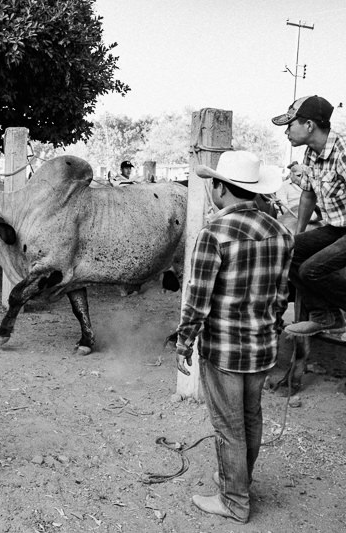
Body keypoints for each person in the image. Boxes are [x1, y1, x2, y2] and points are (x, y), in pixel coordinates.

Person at [175, 150, 292, 523]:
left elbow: (198, 298)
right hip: (262, 346)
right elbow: (281, 294)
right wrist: (271, 329)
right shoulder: (281, 233)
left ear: (220, 188)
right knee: (251, 416)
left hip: (225, 349)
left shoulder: (215, 234)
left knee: (228, 426)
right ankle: (238, 478)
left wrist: (184, 341)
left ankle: (234, 500)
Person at [271, 95, 346, 335]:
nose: (287, 132)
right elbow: (308, 195)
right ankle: (326, 316)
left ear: (309, 125)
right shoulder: (312, 154)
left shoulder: (342, 150)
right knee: (287, 249)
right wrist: (299, 235)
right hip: (336, 226)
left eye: (290, 125)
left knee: (310, 270)